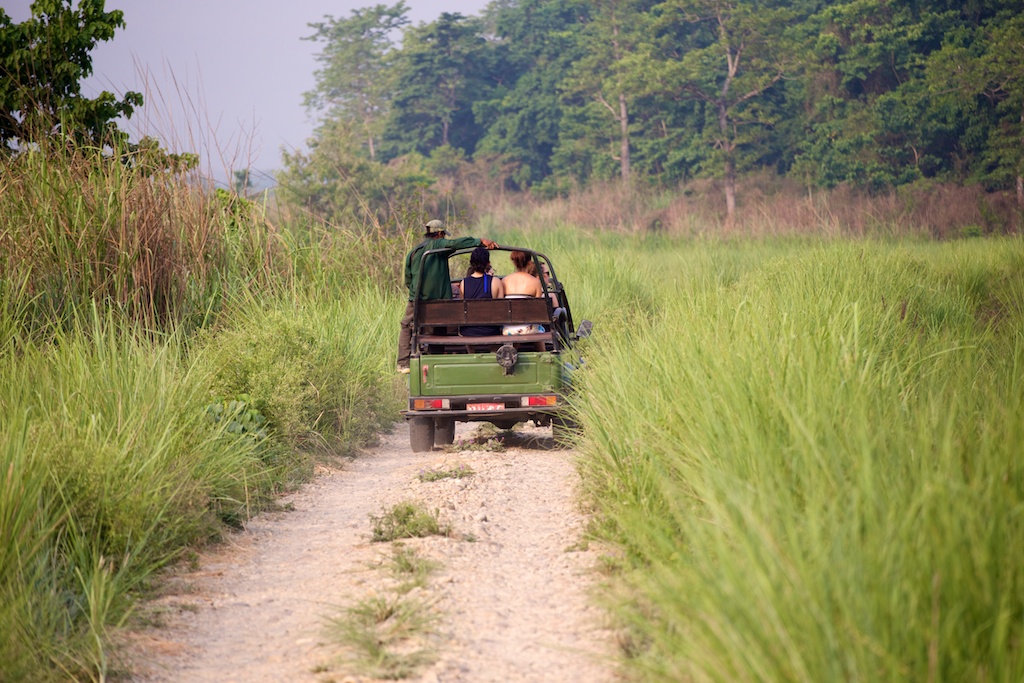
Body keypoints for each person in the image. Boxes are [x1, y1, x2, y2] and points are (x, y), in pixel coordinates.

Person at [397, 219, 497, 372]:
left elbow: (408, 279)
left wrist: (418, 292)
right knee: (439, 326)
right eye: (443, 235)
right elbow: (455, 244)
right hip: (439, 302)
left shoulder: (414, 252)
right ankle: (435, 359)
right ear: (439, 234)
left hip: (417, 300)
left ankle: (403, 362)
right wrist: (479, 241)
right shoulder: (437, 245)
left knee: (407, 325)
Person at [458, 247, 504, 337]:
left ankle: (471, 351)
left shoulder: (464, 283)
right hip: (491, 330)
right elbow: (501, 308)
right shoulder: (495, 281)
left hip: (468, 331)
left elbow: (462, 308)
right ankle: (493, 350)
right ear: (488, 263)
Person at [502, 250, 545, 335]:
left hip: (508, 328)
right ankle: (541, 349)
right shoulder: (535, 282)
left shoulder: (504, 281)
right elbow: (538, 308)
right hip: (528, 328)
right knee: (534, 325)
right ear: (529, 263)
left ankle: (515, 348)